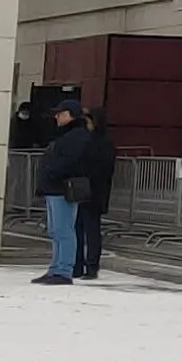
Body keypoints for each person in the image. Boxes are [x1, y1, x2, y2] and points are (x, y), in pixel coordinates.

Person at [31, 99, 113, 286]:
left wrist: (53, 172)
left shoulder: (76, 136)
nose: (56, 117)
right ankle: (56, 267)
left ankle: (63, 269)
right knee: (56, 230)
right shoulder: (69, 135)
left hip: (62, 188)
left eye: (60, 113)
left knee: (64, 230)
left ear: (70, 115)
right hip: (55, 188)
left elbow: (71, 161)